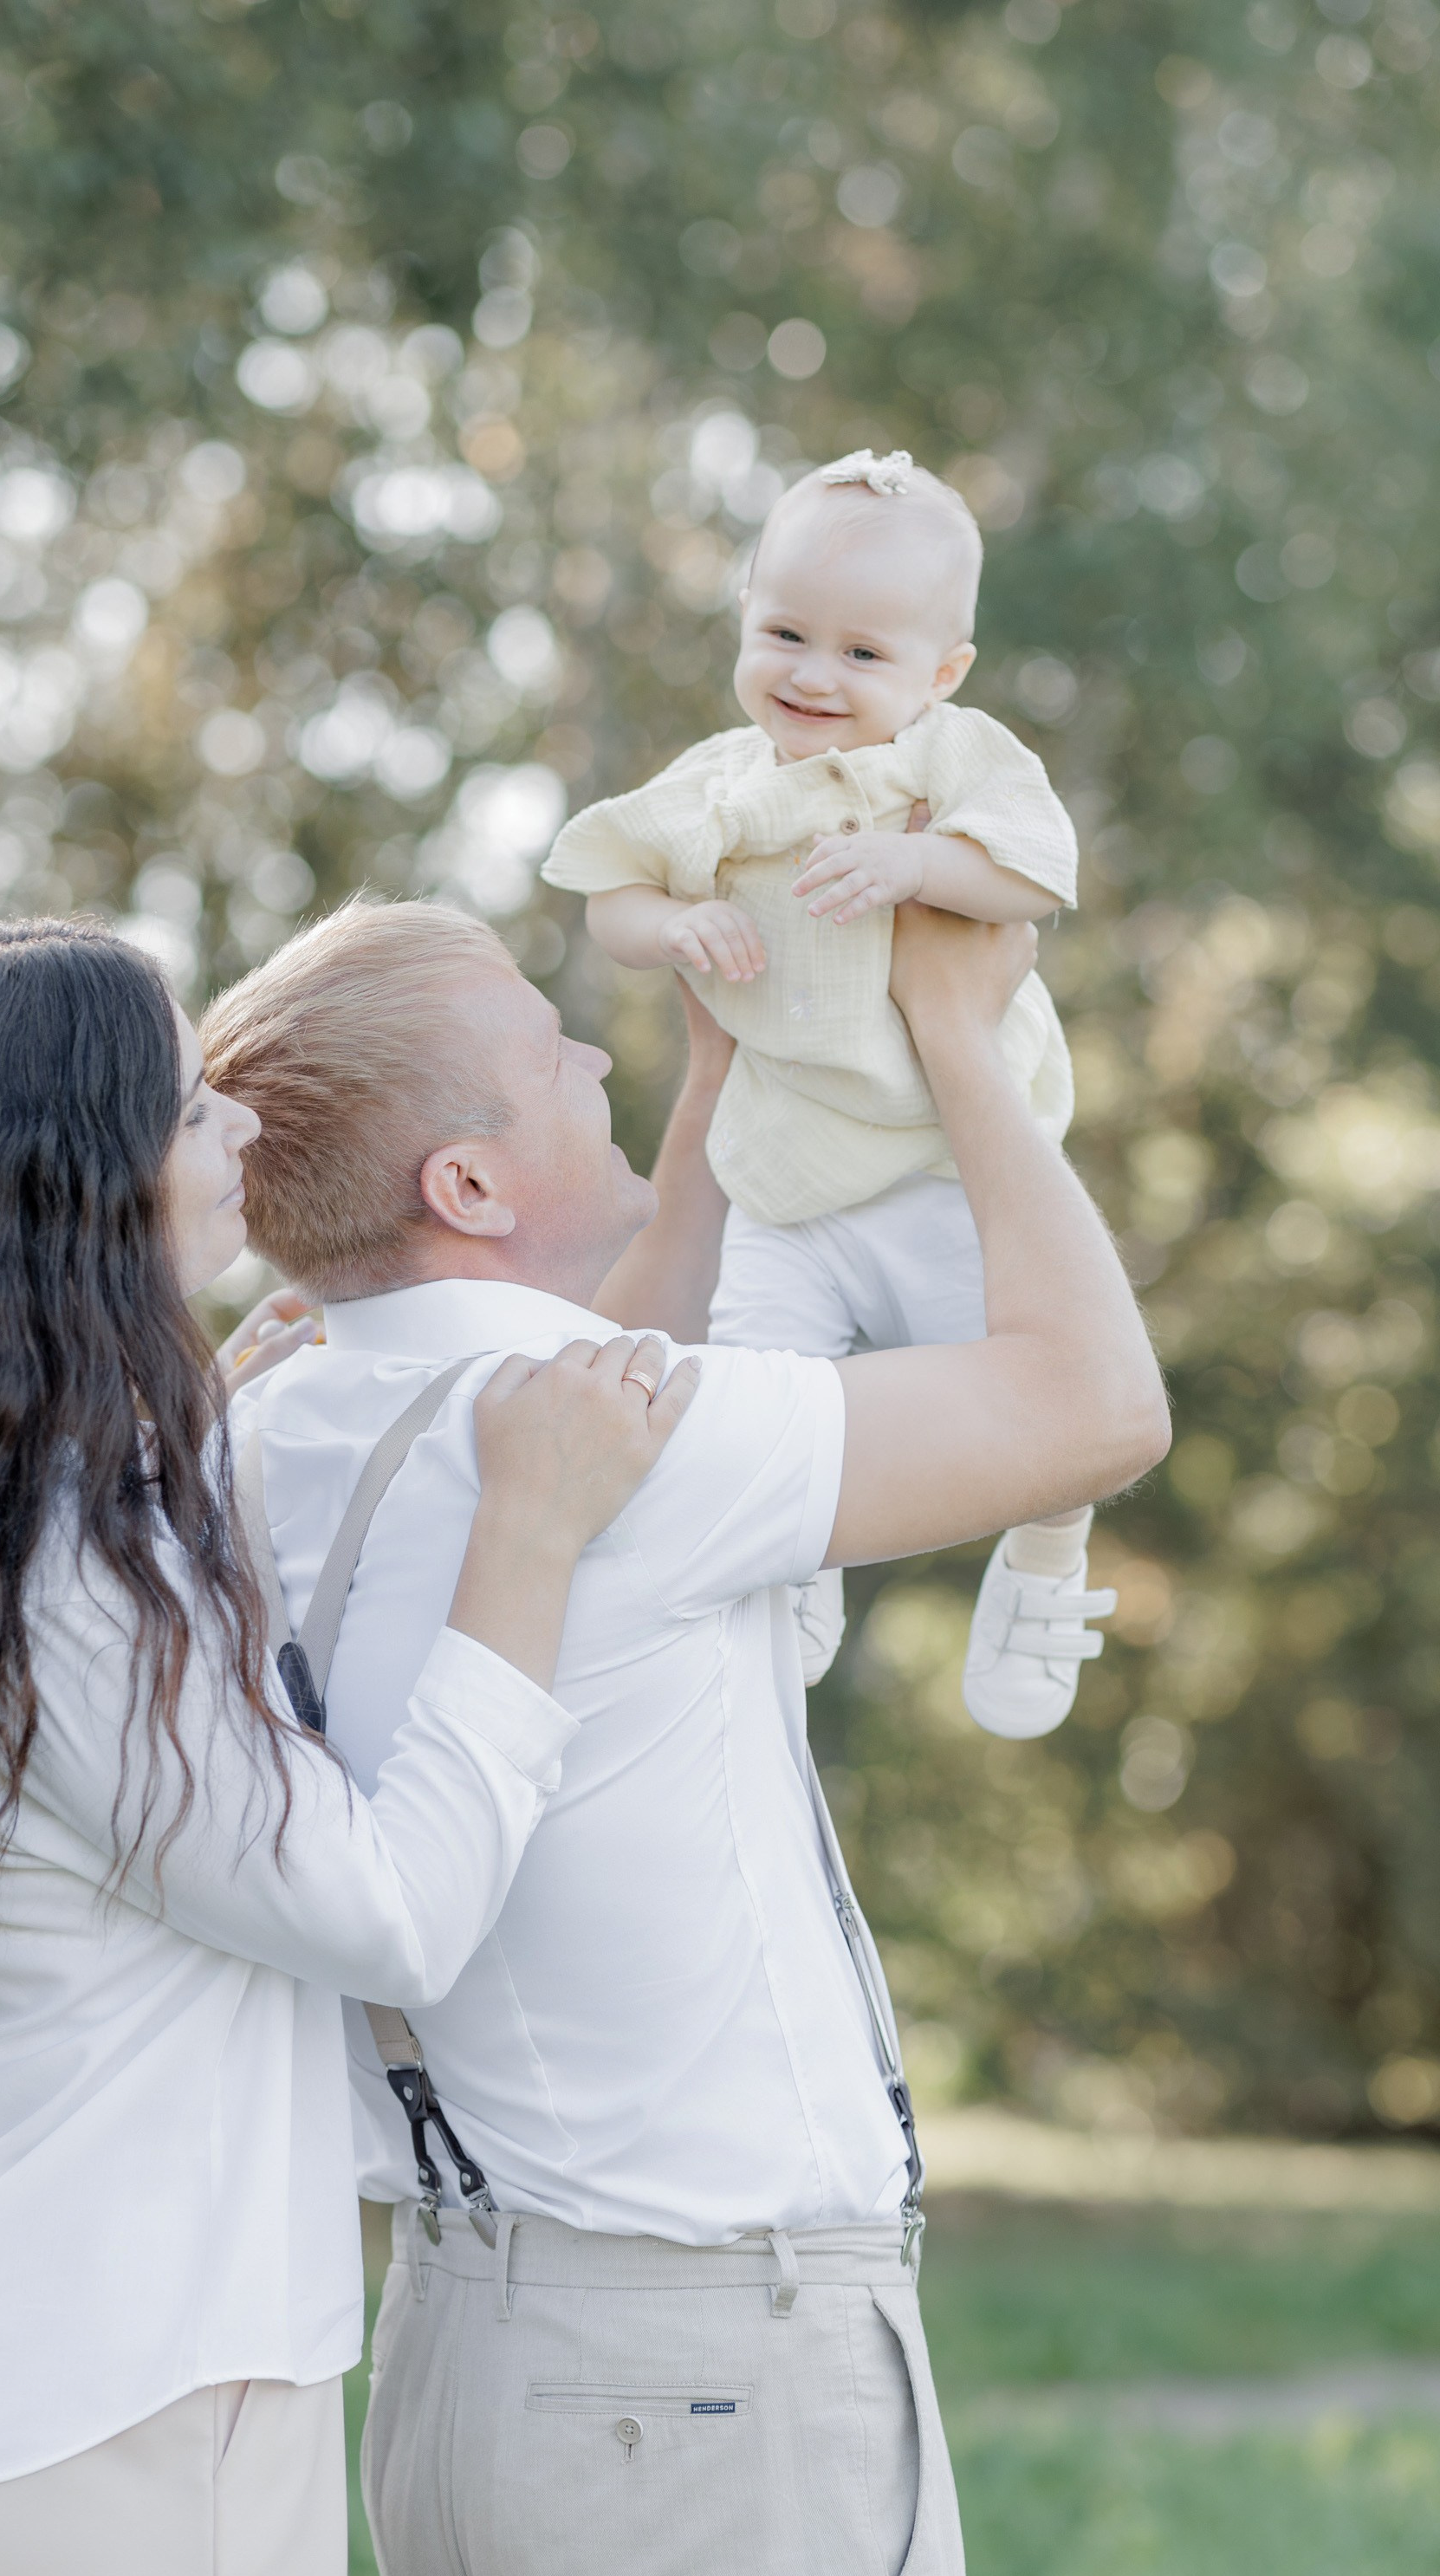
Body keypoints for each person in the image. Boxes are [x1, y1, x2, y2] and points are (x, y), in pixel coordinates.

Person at [0, 918, 697, 2576]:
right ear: (74, 1188)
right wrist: (524, 1537)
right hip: (98, 2429)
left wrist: (202, 1429)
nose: (234, 1125)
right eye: (184, 1112)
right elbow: (385, 1911)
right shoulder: (82, 1566)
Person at [199, 890, 1169, 2576]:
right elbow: (1094, 1405)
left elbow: (580, 1342)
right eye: (542, 1042)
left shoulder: (274, 1417)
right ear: (468, 1186)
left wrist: (718, 1093)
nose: (589, 1048)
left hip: (474, 2345)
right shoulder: (628, 1454)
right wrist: (953, 1032)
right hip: (704, 2371)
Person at [542, 447, 1109, 1736]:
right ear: (744, 620)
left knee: (1054, 1376)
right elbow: (610, 888)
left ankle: (1046, 1558)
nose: (812, 675)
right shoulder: (719, 780)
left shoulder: (953, 760)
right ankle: (804, 1563)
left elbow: (1034, 879)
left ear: (940, 673)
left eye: (863, 655)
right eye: (785, 633)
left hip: (942, 1171)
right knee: (757, 1382)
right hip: (787, 1167)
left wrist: (920, 862)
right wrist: (673, 924)